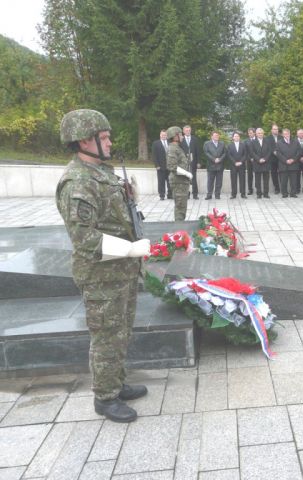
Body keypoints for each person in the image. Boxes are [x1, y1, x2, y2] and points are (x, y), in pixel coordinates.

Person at [56, 109, 150, 423]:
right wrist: (130, 248)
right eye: (104, 137)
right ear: (85, 140)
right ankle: (105, 398)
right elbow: (83, 238)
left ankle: (116, 383)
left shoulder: (101, 172)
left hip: (121, 271)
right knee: (106, 336)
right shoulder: (78, 181)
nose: (110, 142)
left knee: (121, 332)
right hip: (101, 276)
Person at [167, 126, 193, 220]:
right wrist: (186, 173)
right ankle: (179, 227)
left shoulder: (177, 147)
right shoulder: (173, 148)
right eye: (180, 135)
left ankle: (180, 225)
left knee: (182, 207)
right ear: (175, 136)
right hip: (178, 182)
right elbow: (172, 166)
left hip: (181, 182)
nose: (182, 136)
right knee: (180, 207)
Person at [276, 128, 301, 198]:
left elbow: (299, 152)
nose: (286, 135)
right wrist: (286, 160)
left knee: (293, 181)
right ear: (282, 135)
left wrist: (293, 159)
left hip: (293, 164)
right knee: (283, 181)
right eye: (285, 134)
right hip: (283, 165)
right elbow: (278, 153)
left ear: (290, 134)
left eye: (287, 134)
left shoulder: (295, 142)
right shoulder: (279, 142)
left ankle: (293, 193)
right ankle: (284, 193)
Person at [203, 131, 226, 200]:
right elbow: (206, 153)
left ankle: (217, 195)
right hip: (211, 165)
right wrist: (213, 159)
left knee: (219, 181)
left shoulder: (222, 143)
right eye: (215, 135)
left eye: (218, 135)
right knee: (210, 181)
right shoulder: (207, 143)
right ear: (212, 136)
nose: (217, 137)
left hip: (220, 165)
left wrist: (220, 159)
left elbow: (225, 153)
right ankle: (209, 195)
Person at [180, 125, 200, 199]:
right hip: (184, 163)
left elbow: (198, 151)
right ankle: (186, 194)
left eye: (189, 130)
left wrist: (198, 162)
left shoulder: (195, 139)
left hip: (193, 162)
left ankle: (195, 194)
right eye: (186, 130)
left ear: (190, 131)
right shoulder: (181, 139)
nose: (188, 132)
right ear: (183, 131)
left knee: (194, 178)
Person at [151, 130, 172, 200]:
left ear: (167, 135)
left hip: (169, 166)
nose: (164, 136)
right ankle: (162, 195)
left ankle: (170, 194)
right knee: (161, 181)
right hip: (160, 166)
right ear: (160, 135)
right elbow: (154, 155)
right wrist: (156, 165)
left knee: (170, 181)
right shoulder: (156, 143)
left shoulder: (170, 143)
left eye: (165, 135)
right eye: (162, 135)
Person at [251, 128, 271, 198]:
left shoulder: (267, 141)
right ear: (256, 134)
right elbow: (252, 152)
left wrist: (265, 159)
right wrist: (258, 159)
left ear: (263, 133)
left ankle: (266, 194)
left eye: (261, 133)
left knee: (266, 180)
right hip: (257, 163)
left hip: (266, 163)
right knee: (257, 180)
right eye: (259, 133)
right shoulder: (253, 142)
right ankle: (259, 194)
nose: (260, 134)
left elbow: (269, 151)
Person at [227, 131, 248, 199]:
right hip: (233, 165)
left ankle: (243, 194)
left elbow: (245, 154)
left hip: (242, 165)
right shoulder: (230, 145)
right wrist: (235, 162)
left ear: (239, 137)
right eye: (235, 136)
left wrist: (241, 162)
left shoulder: (243, 145)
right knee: (233, 180)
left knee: (242, 180)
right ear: (233, 137)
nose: (236, 137)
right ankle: (233, 194)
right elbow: (229, 155)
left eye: (238, 136)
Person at [266, 124, 282, 194]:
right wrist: (273, 151)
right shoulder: (267, 138)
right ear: (271, 130)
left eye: (277, 129)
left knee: (282, 173)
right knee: (274, 174)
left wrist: (279, 153)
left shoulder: (281, 137)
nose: (276, 130)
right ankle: (277, 188)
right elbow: (268, 147)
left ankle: (283, 187)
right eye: (274, 129)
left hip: (281, 159)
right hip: (272, 159)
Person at [295, 128, 303, 194]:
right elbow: (293, 151)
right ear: (297, 134)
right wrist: (299, 157)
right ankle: (297, 189)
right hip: (297, 161)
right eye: (300, 133)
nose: (301, 134)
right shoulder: (294, 141)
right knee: (297, 175)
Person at [244, 128, 256, 195]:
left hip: (257, 160)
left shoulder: (257, 140)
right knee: (249, 175)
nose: (249, 134)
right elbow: (245, 151)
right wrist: (250, 158)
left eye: (251, 133)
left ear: (254, 133)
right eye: (248, 133)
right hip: (249, 161)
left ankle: (258, 188)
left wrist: (255, 158)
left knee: (257, 175)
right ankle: (250, 189)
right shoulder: (246, 141)